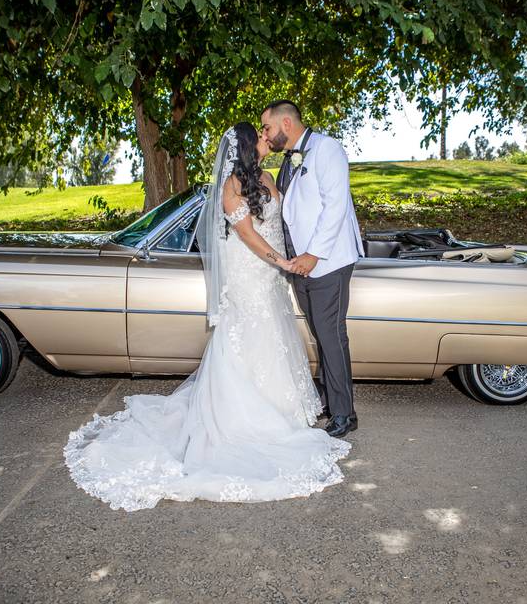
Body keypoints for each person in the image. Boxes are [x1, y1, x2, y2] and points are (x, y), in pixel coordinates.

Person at [63, 122, 350, 513]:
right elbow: (248, 234)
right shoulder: (231, 186)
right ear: (250, 146)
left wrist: (307, 252)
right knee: (249, 334)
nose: (269, 138)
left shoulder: (269, 175)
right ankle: (252, 418)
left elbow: (294, 213)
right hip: (251, 269)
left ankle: (285, 409)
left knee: (275, 336)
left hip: (272, 274)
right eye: (263, 135)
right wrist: (282, 261)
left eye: (269, 132)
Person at [260, 100, 364, 437]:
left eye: (268, 128)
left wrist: (314, 255)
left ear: (286, 124)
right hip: (299, 265)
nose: (266, 134)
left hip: (327, 261)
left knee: (332, 336)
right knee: (322, 333)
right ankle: (332, 399)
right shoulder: (288, 162)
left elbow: (336, 206)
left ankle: (344, 414)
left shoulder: (327, 149)